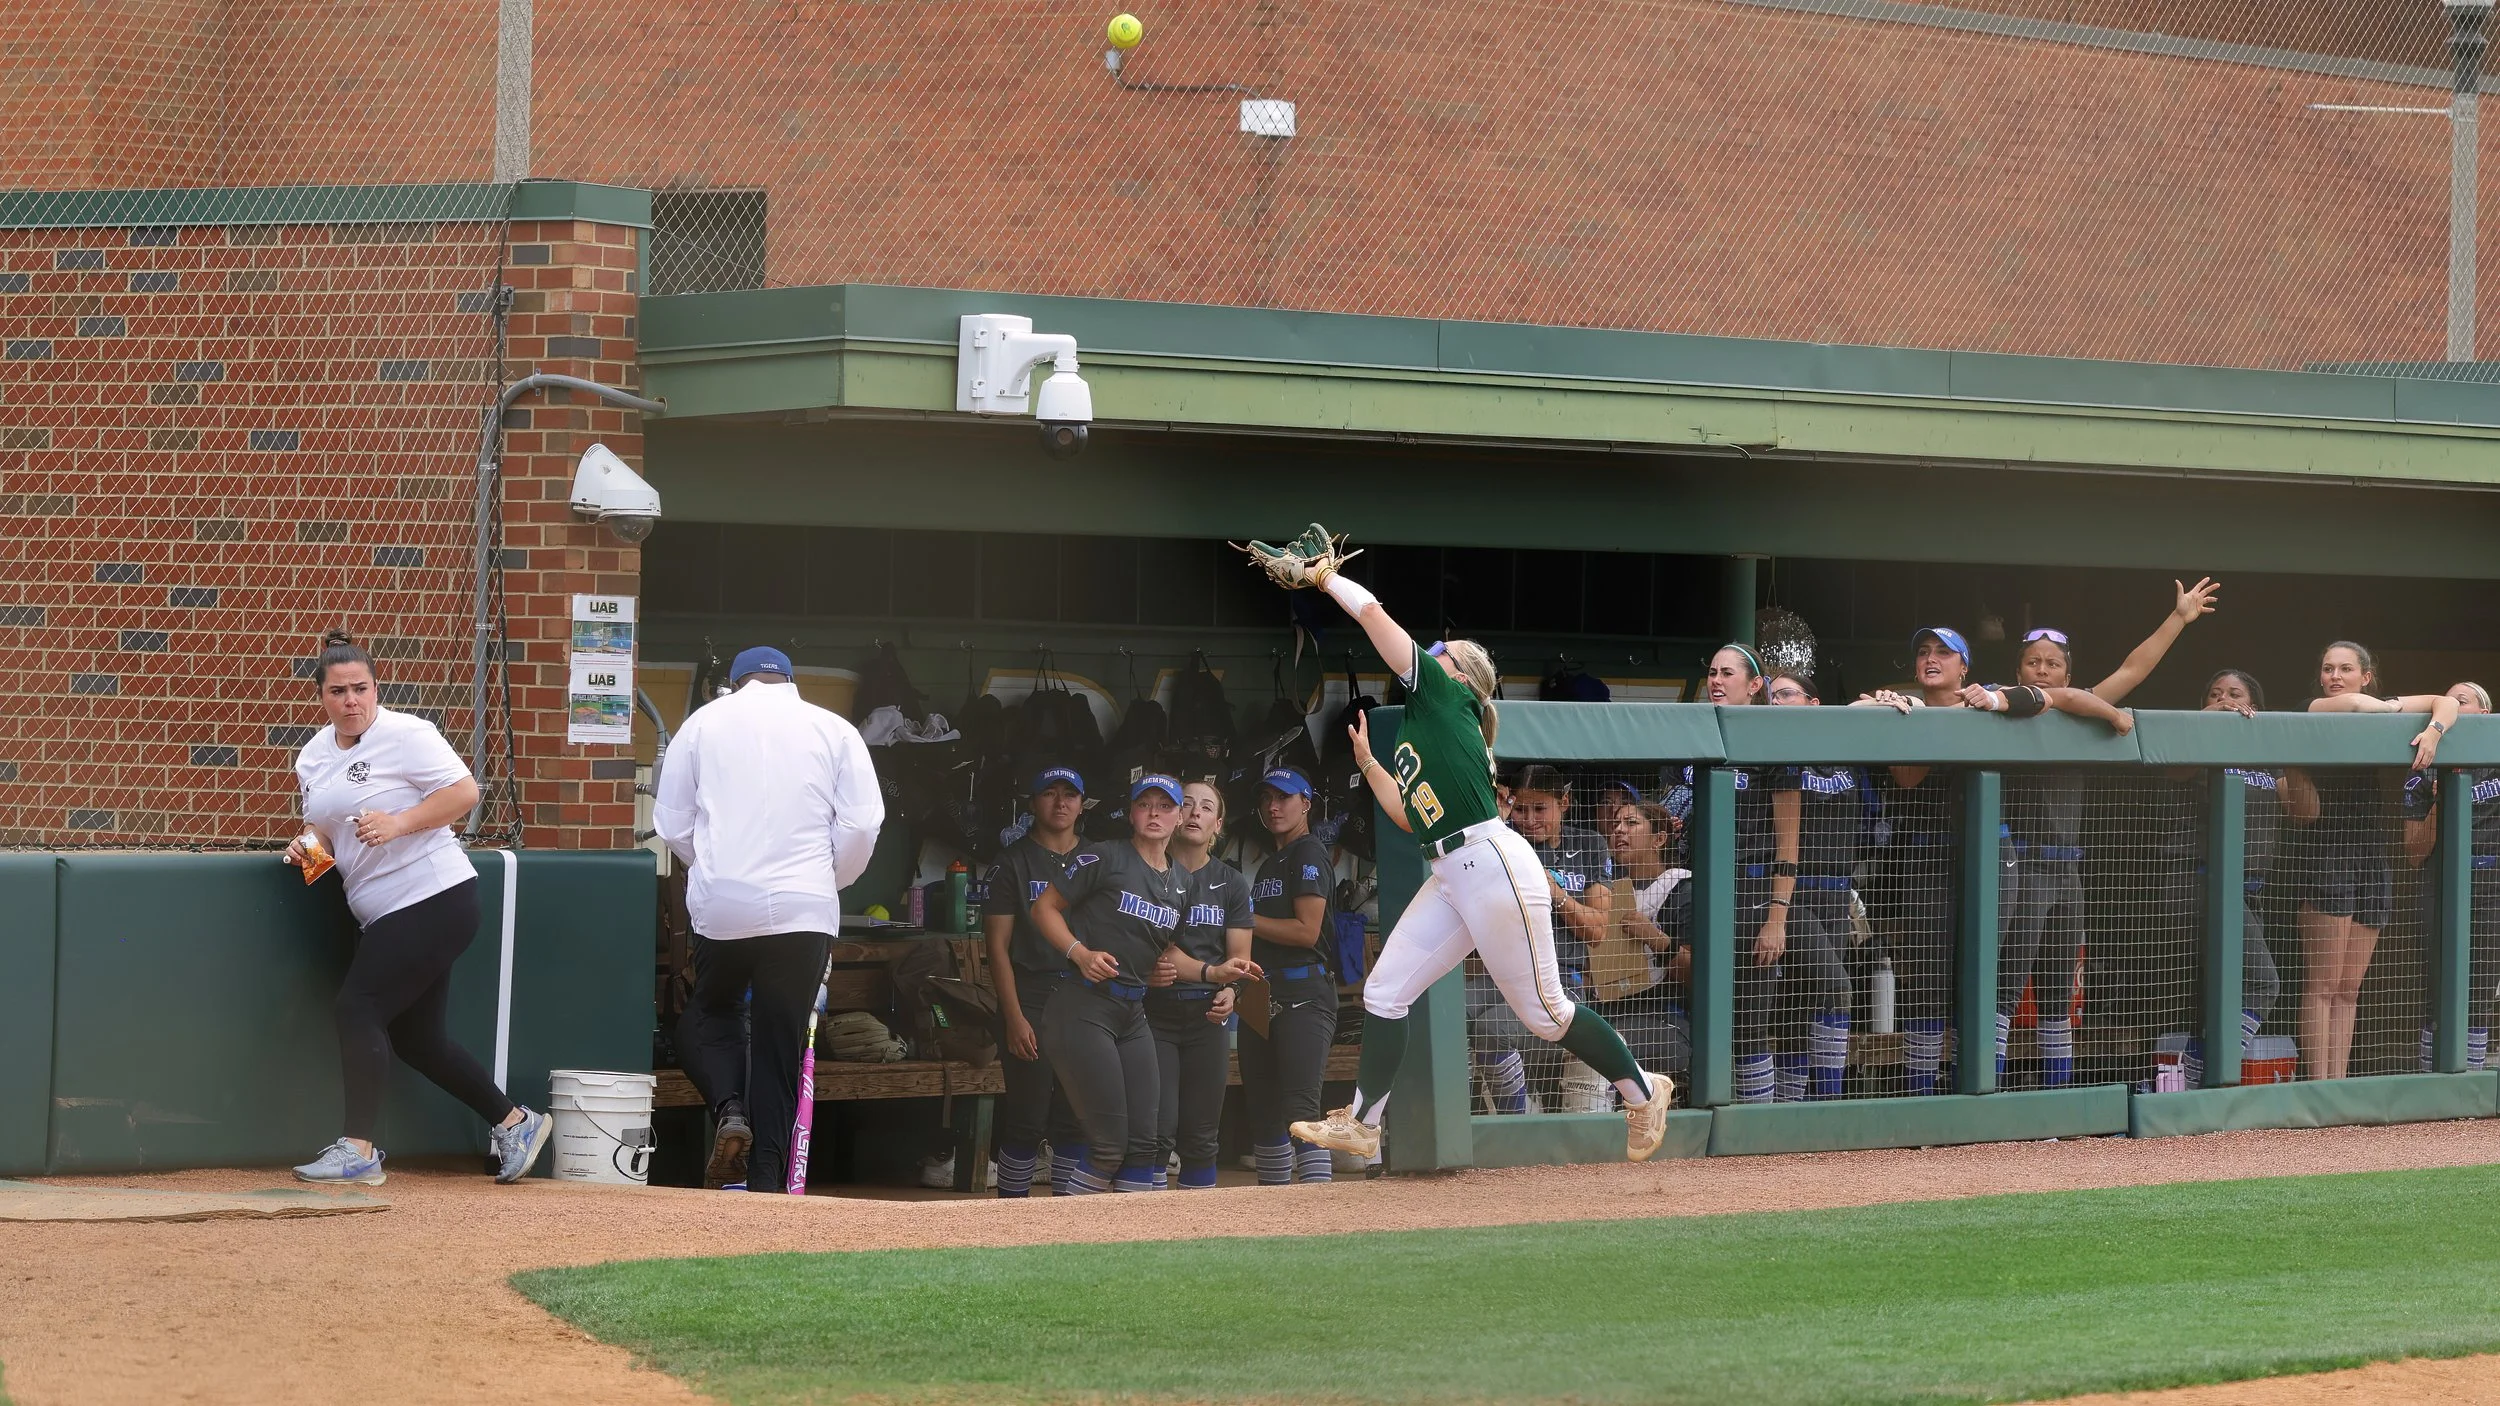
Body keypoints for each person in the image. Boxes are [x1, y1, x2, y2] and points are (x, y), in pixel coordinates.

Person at [1235, 524, 1671, 1164]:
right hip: (1452, 871)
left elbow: (1376, 618)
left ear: (1460, 674)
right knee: (1386, 992)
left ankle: (1641, 1092)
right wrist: (1372, 764)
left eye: (1441, 649)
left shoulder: (1446, 695)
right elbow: (1411, 818)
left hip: (1492, 865)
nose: (1430, 651)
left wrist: (1326, 579)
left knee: (1546, 1014)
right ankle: (1363, 1122)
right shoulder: (1423, 728)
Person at [284, 630, 553, 1185]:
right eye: (338, 691)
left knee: (357, 1008)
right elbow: (324, 833)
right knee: (419, 1040)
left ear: (376, 689)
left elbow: (464, 793)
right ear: (322, 697)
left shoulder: (408, 734)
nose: (351, 700)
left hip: (434, 894)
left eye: (361, 688)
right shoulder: (313, 755)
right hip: (377, 910)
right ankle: (515, 1121)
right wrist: (305, 849)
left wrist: (399, 822)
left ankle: (358, 1150)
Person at [1855, 627, 2130, 1094]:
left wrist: (2116, 717)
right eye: (1922, 651)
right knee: (1928, 979)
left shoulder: (1986, 699)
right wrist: (1903, 710)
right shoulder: (1904, 707)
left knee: (1987, 976)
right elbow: (1903, 776)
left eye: (1943, 652)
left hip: (1992, 856)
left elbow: (2060, 699)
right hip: (1926, 854)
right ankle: (1925, 1098)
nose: (1930, 658)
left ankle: (1986, 1092)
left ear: (1965, 666)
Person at [654, 645, 885, 1194]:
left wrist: (712, 867)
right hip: (806, 905)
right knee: (781, 1046)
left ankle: (730, 1108)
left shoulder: (701, 725)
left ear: (732, 683)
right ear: (789, 680)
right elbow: (862, 824)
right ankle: (766, 1185)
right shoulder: (833, 729)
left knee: (710, 1014)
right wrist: (828, 882)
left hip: (723, 906)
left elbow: (671, 823)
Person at [1994, 579, 2219, 1086]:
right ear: (2019, 671)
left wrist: (2179, 618)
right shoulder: (2004, 706)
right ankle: (1988, 1097)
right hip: (2021, 867)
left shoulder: (2081, 706)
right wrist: (2111, 716)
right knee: (2005, 987)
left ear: (2068, 673)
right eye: (2034, 662)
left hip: (2068, 868)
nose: (2043, 670)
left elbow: (2133, 669)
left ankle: (2057, 1100)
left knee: (2058, 993)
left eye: (2053, 664)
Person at [1032, 775, 1250, 1192]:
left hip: (1132, 1014)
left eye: (1165, 806)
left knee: (1146, 1144)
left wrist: (1213, 973)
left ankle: (1130, 1242)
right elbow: (1043, 909)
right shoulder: (1104, 857)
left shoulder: (1182, 882)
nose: (1154, 814)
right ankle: (1065, 1237)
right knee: (1109, 1146)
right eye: (1144, 805)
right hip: (1085, 1006)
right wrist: (1080, 953)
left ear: (1178, 816)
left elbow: (1165, 951)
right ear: (1130, 813)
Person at [2290, 641, 2457, 1080]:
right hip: (2328, 851)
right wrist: (2390, 707)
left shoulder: (2376, 704)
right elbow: (2353, 705)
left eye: (2346, 668)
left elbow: (2446, 702)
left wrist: (2434, 731)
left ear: (2367, 673)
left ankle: (2339, 1088)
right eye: (2327, 668)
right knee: (2322, 986)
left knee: (2349, 989)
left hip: (2372, 852)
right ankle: (2317, 1090)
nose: (2334, 676)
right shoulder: (2314, 707)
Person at [1691, 644, 1798, 1104]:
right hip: (1696, 898)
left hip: (1752, 896)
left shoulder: (1773, 745)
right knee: (1701, 1017)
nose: (1716, 680)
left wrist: (1777, 916)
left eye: (1727, 674)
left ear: (1755, 686)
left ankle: (1760, 1128)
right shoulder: (1690, 734)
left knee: (1750, 1021)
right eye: (1712, 672)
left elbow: (1787, 846)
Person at [1475, 764, 1612, 1113]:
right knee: (1445, 1011)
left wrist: (1556, 894)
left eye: (1540, 809)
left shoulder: (1590, 843)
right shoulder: (1503, 842)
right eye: (1521, 809)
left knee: (1492, 1028)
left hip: (1562, 979)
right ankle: (1455, 1120)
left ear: (1564, 803)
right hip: (1499, 974)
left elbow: (1597, 931)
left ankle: (1512, 1124)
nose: (1530, 819)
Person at [981, 767, 1092, 1197]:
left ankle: (1062, 1218)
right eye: (1050, 793)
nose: (1060, 803)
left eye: (1070, 794)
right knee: (1028, 1115)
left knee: (1075, 1114)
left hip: (1084, 998)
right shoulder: (1012, 862)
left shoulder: (1097, 858)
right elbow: (997, 948)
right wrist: (1012, 1017)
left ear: (1083, 804)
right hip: (1030, 995)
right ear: (1032, 803)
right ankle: (1012, 1214)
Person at [1242, 767, 1343, 1181]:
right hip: (1261, 992)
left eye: (1283, 797)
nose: (1273, 806)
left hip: (1304, 989)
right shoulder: (1270, 863)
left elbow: (1307, 931)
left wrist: (1243, 920)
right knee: (1263, 1112)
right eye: (1266, 798)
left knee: (1300, 1110)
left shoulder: (1308, 850)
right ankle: (1275, 1216)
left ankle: (1317, 1214)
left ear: (1306, 803)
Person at [1149, 779, 1251, 1190]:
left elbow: (1240, 963)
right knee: (1156, 1130)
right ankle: (1143, 1232)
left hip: (1209, 1017)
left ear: (1218, 825)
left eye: (1205, 807)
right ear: (1172, 818)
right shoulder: (1149, 872)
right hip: (1153, 1013)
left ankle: (1199, 1231)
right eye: (1186, 804)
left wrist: (1232, 991)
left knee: (1201, 1134)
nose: (1194, 813)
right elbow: (1143, 949)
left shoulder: (1232, 882)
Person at [1766, 667, 1859, 1100]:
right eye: (1771, 696)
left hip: (1837, 892)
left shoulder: (1844, 749)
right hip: (1794, 893)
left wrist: (1891, 697)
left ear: (1814, 704)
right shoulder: (1772, 753)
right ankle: (1826, 1104)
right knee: (1835, 989)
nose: (1776, 701)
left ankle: (1795, 1108)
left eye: (1786, 694)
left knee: (1802, 1005)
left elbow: (1866, 712)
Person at [2403, 682, 2496, 1071]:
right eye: (2449, 702)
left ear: (2485, 715)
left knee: (2481, 985)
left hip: (2492, 882)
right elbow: (2413, 853)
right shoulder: (2425, 767)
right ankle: (2432, 1083)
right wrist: (2441, 801)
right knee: (2439, 984)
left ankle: (2471, 1079)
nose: (2454, 708)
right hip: (2440, 883)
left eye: (2463, 702)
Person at [1590, 797, 1692, 1084]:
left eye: (1631, 823)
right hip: (1610, 1013)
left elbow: (1701, 977)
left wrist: (1656, 939)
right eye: (1615, 824)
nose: (1619, 830)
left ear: (1659, 838)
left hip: (1666, 1020)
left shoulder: (1681, 888)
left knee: (1600, 1049)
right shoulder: (1606, 891)